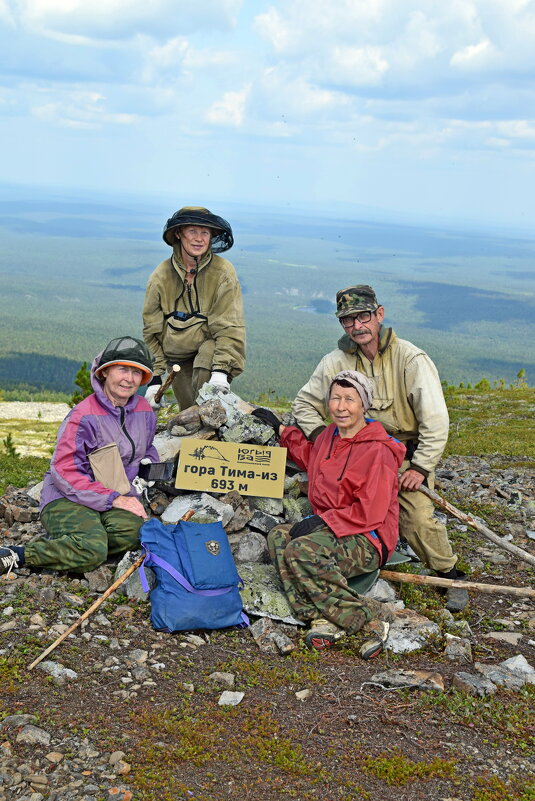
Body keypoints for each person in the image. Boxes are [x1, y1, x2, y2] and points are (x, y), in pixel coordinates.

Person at [291, 284, 468, 612]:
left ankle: (449, 575)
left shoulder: (409, 358)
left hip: (401, 457)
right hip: (356, 454)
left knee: (416, 518)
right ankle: (344, 565)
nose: (357, 326)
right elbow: (304, 402)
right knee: (339, 506)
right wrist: (324, 438)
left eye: (363, 317)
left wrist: (420, 467)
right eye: (347, 320)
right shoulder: (336, 360)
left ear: (379, 314)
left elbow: (435, 419)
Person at [253, 370, 406, 655]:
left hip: (368, 537)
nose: (341, 406)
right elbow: (310, 456)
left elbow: (371, 512)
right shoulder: (328, 437)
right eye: (335, 398)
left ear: (364, 405)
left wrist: (322, 521)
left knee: (302, 549)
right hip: (332, 529)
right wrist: (282, 431)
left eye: (350, 399)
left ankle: (369, 619)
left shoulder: (378, 451)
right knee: (277, 536)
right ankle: (322, 619)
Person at [0, 336, 159, 577]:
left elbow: (147, 449)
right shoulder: (83, 415)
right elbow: (65, 472)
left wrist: (150, 465)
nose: (129, 378)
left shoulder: (144, 411)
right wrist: (113, 500)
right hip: (67, 497)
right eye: (122, 369)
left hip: (112, 494)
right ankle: (18, 555)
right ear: (105, 372)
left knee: (136, 533)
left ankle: (76, 545)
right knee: (93, 549)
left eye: (137, 372)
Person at [142, 206, 246, 411]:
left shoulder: (223, 273)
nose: (199, 238)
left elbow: (229, 327)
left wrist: (220, 372)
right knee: (189, 411)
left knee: (208, 408)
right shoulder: (160, 277)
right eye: (192, 231)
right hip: (177, 357)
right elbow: (152, 330)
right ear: (179, 234)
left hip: (210, 353)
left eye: (205, 233)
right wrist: (155, 378)